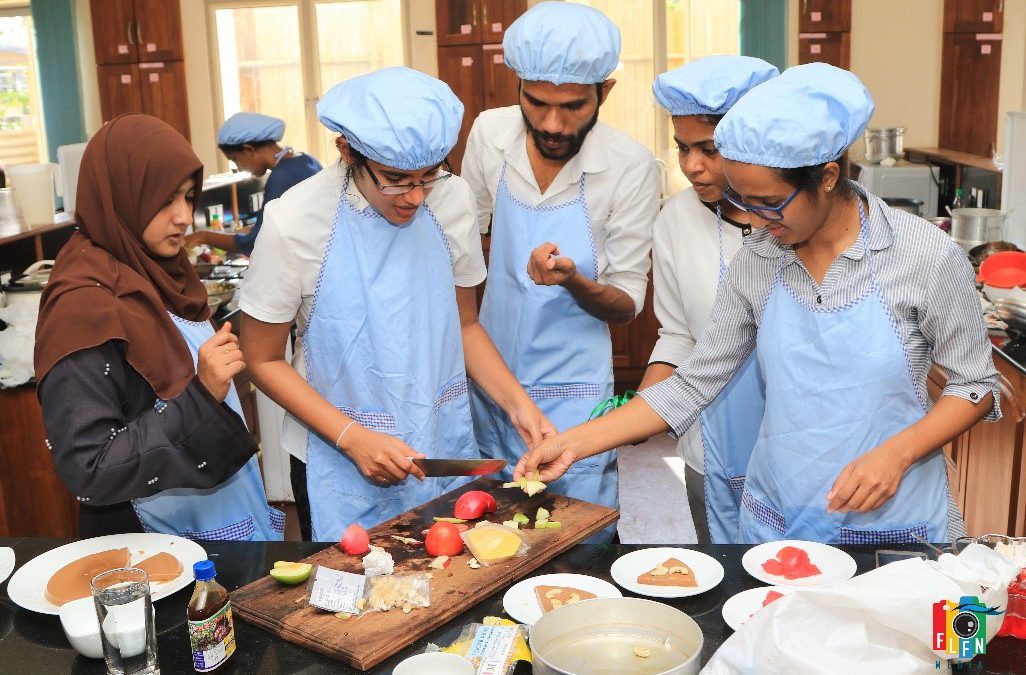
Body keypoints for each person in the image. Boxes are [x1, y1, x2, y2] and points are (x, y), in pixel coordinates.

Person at [515, 64, 1000, 545]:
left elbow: (975, 384)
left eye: (769, 203)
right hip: (782, 513)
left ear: (827, 177)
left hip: (892, 520)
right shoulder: (759, 261)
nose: (758, 221)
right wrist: (572, 443)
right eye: (744, 202)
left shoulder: (923, 256)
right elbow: (691, 385)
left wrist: (898, 454)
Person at [238, 67, 553, 541]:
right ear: (346, 152)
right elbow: (261, 358)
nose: (415, 196)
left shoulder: (453, 202)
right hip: (336, 452)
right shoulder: (295, 223)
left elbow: (465, 326)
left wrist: (519, 405)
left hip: (439, 436)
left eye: (429, 175)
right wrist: (352, 437)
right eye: (395, 179)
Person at [34, 113, 283, 540]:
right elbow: (90, 468)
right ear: (123, 196)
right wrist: (200, 397)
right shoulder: (83, 306)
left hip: (215, 526)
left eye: (189, 197)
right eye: (165, 200)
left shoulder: (158, 272)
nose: (185, 216)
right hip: (147, 552)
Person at [462, 1, 659, 515]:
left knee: (577, 534)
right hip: (492, 378)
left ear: (605, 92)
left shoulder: (631, 167)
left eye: (573, 107)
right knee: (493, 530)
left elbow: (627, 305)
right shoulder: (489, 135)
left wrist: (574, 281)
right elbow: (463, 245)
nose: (552, 124)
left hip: (574, 396)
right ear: (518, 87)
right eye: (537, 103)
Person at [639, 56, 778, 544]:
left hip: (800, 453)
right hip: (709, 447)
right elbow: (679, 335)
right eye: (682, 148)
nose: (692, 167)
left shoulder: (799, 220)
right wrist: (642, 410)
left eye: (709, 149)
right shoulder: (675, 220)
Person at [184, 112, 322, 255]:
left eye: (235, 159)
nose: (238, 168)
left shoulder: (281, 177)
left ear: (248, 149)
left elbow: (256, 243)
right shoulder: (306, 160)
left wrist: (203, 236)